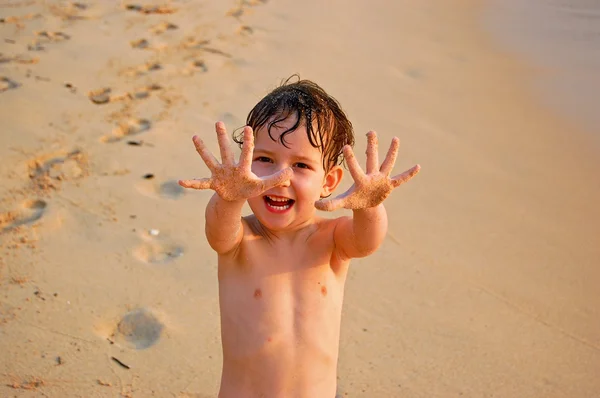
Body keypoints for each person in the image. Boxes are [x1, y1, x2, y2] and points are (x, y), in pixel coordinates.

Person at [178, 77, 420, 398]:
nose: (281, 178)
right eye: (265, 160)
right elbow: (217, 230)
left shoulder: (332, 240)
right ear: (244, 166)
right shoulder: (239, 241)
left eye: (301, 165)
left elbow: (367, 241)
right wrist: (229, 197)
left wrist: (369, 206)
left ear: (329, 181)